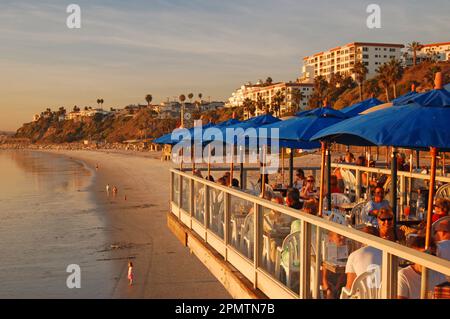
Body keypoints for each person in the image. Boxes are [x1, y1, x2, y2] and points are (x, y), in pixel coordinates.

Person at [322, 232, 347, 299]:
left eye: (343, 235)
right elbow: (323, 277)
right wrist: (328, 290)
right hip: (330, 284)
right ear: (331, 239)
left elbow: (344, 274)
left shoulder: (347, 249)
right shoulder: (328, 250)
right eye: (339, 235)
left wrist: (337, 287)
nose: (342, 237)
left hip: (340, 284)